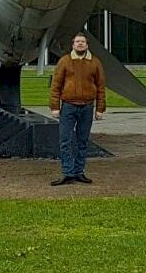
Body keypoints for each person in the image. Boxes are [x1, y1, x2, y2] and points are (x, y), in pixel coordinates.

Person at [49, 32, 106, 185]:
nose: (80, 44)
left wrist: (100, 109)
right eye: (77, 42)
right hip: (68, 107)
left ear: (87, 45)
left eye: (83, 42)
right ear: (73, 45)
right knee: (65, 140)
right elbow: (56, 86)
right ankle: (68, 172)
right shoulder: (65, 61)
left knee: (83, 141)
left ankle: (79, 172)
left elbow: (101, 87)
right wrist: (55, 107)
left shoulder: (95, 63)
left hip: (87, 107)